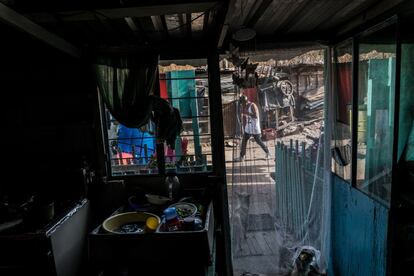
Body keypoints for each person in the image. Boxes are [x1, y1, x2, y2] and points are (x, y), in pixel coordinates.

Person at [235, 95, 270, 162]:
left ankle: (268, 152)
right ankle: (242, 156)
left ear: (245, 102)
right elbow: (248, 115)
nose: (242, 105)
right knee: (244, 141)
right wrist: (245, 115)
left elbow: (256, 116)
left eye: (242, 103)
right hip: (248, 127)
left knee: (259, 141)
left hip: (254, 127)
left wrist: (247, 113)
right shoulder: (245, 106)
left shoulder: (252, 105)